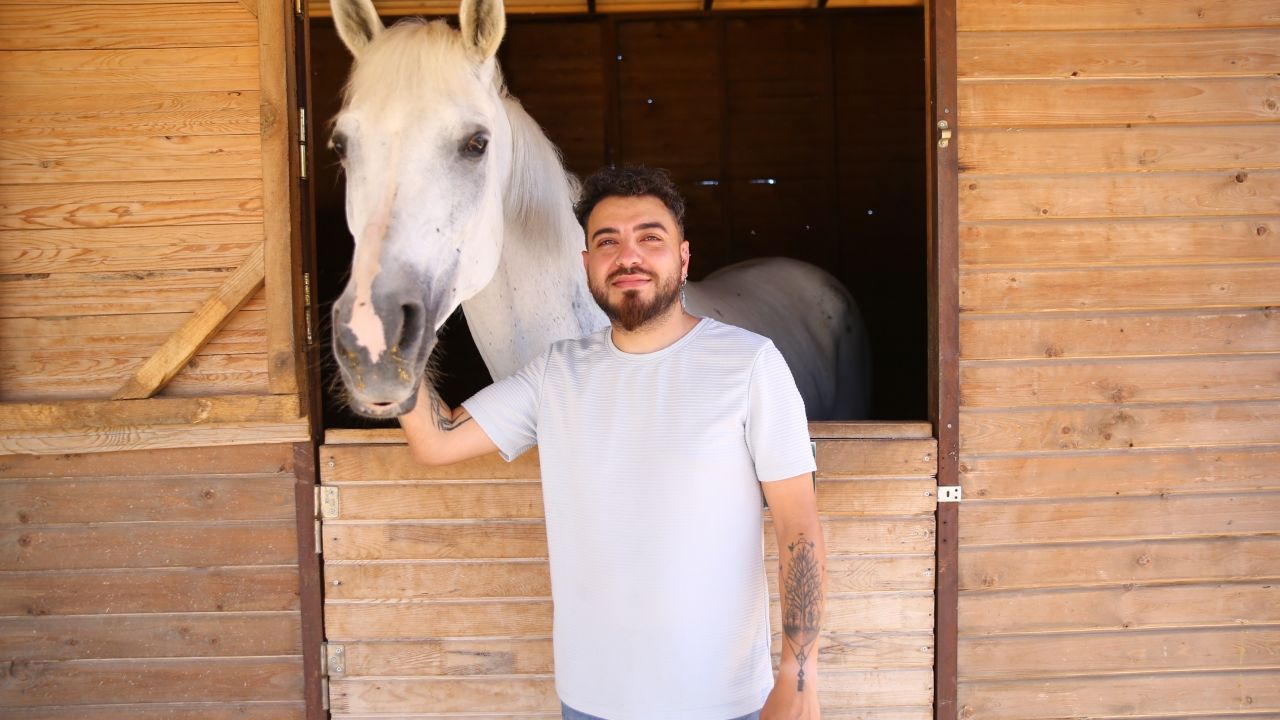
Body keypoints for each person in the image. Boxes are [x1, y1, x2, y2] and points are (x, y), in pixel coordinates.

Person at [398, 165, 827, 720]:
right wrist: (393, 347)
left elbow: (799, 526)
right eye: (608, 242)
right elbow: (437, 441)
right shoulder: (556, 372)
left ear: (684, 258)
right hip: (591, 702)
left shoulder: (750, 364)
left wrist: (798, 677)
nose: (628, 256)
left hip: (723, 701)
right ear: (587, 265)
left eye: (650, 238)